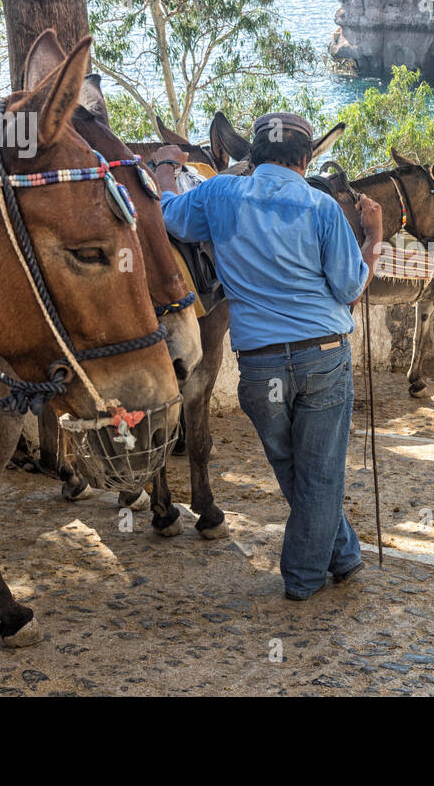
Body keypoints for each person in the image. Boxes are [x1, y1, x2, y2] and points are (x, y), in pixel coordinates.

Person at [153, 114, 384, 601]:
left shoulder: (219, 196)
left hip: (259, 367)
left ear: (252, 156)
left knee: (297, 471)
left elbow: (169, 213)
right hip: (322, 358)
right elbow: (348, 291)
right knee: (319, 474)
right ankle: (301, 580)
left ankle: (344, 556)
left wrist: (165, 170)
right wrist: (373, 238)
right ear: (305, 159)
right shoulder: (321, 207)